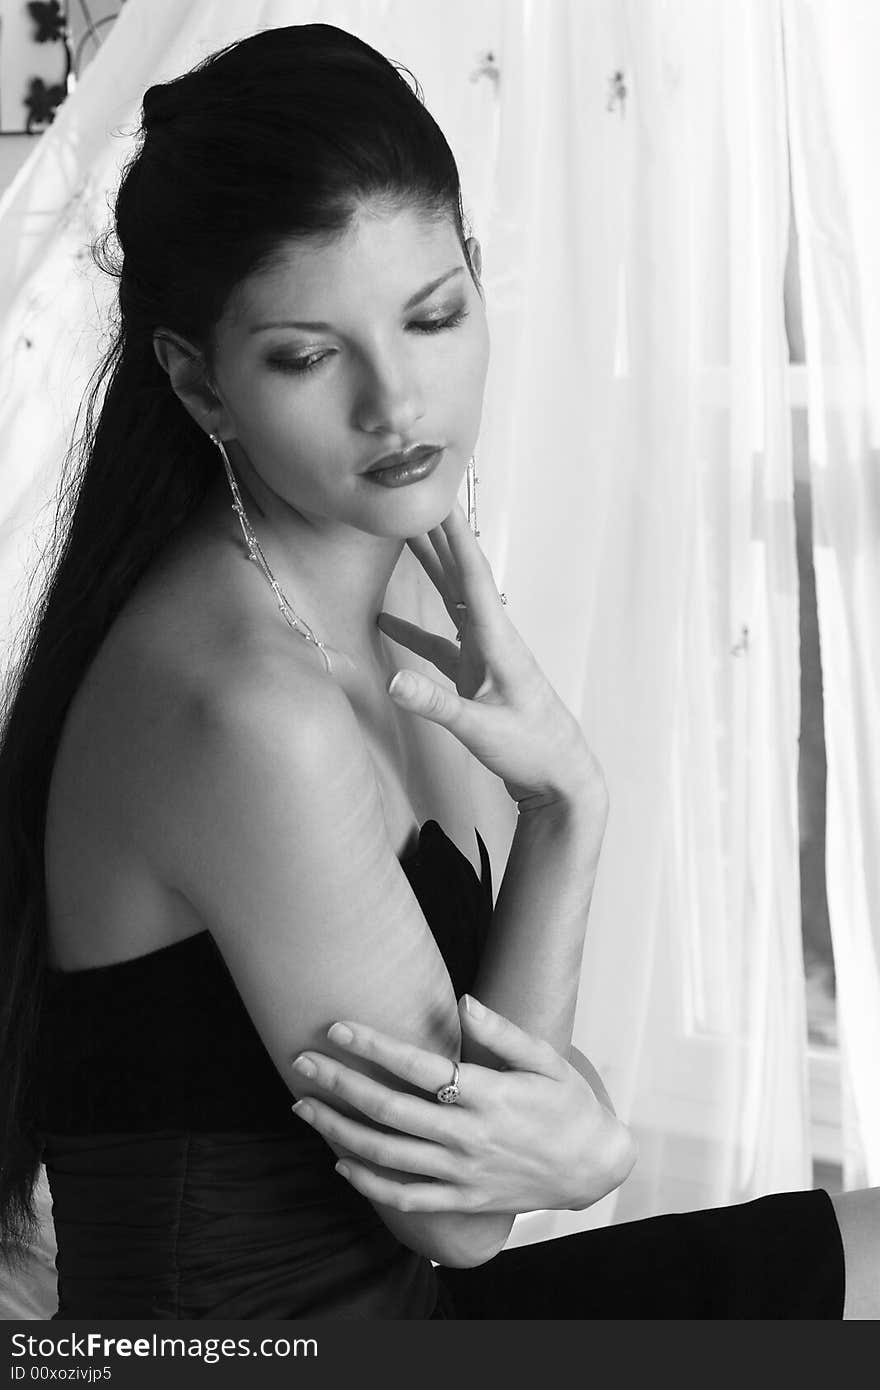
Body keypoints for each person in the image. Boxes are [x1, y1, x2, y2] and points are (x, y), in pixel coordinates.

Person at [0, 22, 870, 1319]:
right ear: (202, 382)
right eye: (307, 354)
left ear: (475, 275)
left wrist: (565, 816)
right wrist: (569, 819)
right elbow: (463, 1204)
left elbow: (487, 1084)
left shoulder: (390, 564)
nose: (399, 405)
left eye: (432, 314)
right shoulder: (246, 707)